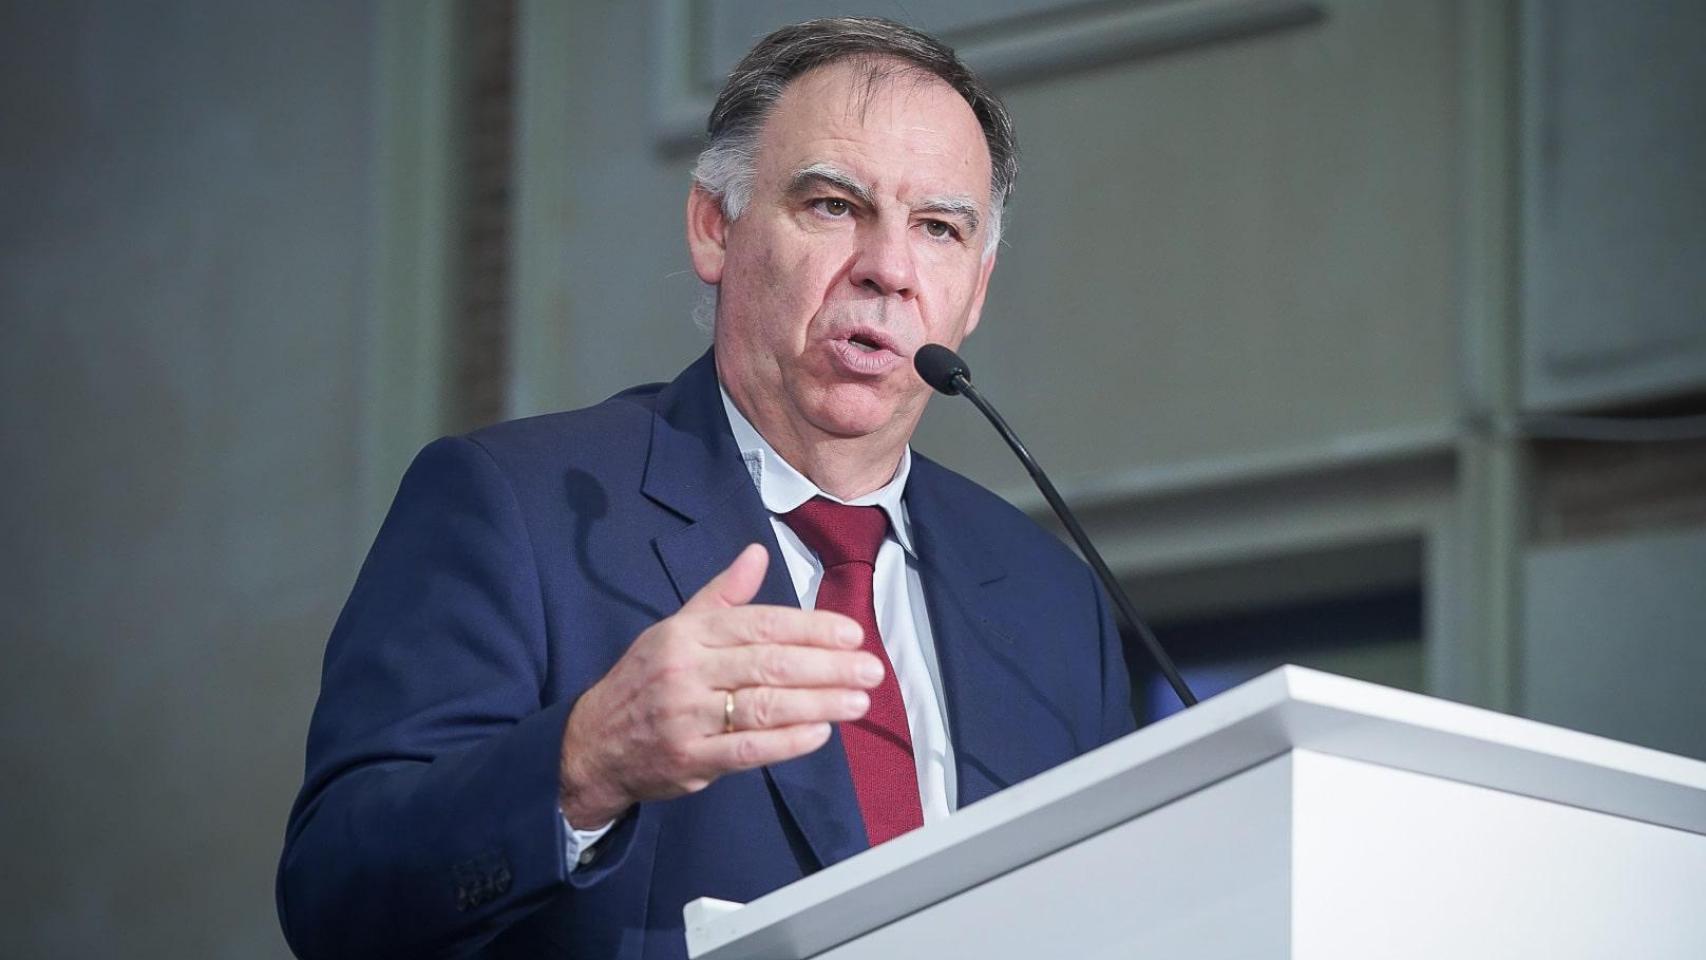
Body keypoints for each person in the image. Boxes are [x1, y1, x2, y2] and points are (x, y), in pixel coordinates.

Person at [278, 17, 1133, 960]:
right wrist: (585, 762)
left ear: (974, 290)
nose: (889, 269)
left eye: (938, 228)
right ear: (714, 228)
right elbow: (335, 895)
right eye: (833, 205)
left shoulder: (1054, 604)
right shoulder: (516, 507)